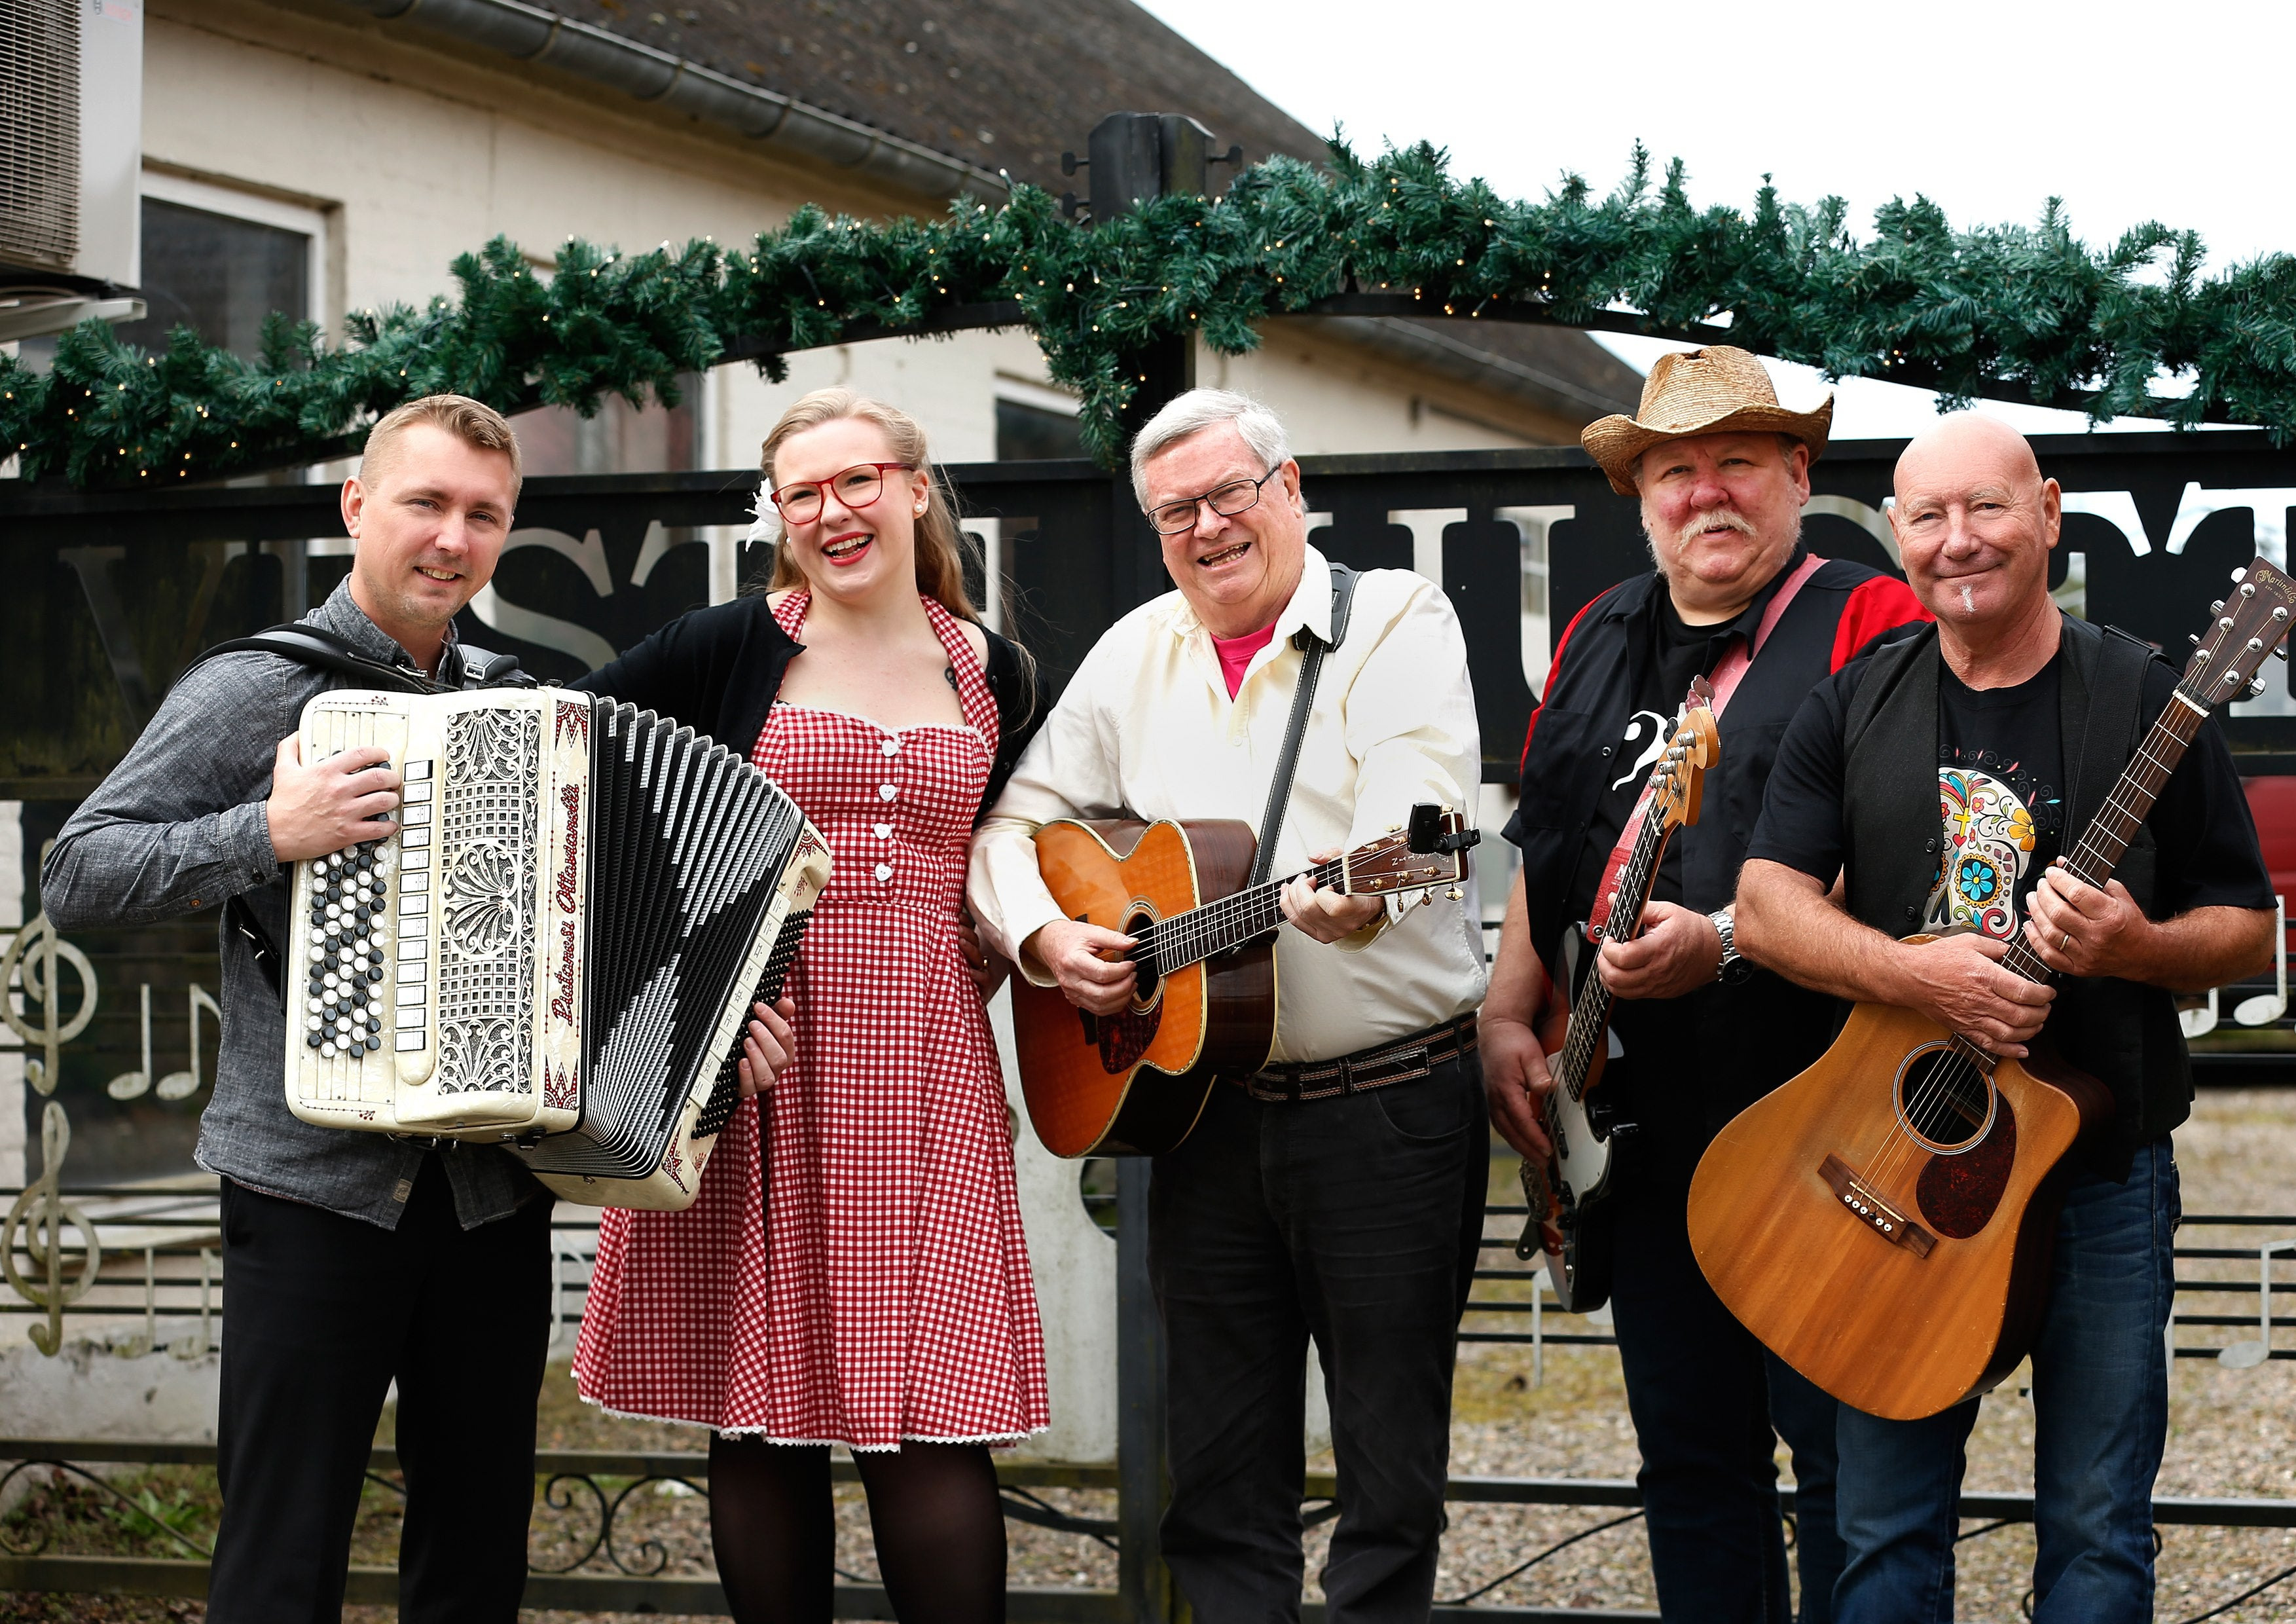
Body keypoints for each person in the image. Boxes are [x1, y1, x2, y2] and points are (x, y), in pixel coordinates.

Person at [38, 394, 795, 1624]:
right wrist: (268, 831)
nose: (453, 537)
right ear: (357, 506)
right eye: (426, 503)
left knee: (476, 1550)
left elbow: (604, 931)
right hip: (312, 1187)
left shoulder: (523, 701)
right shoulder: (259, 687)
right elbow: (77, 871)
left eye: (483, 515)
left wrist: (712, 1038)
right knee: (283, 1549)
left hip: (491, 1194)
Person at [1737, 413, 2276, 1618]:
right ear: (1898, 537)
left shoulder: (2148, 698)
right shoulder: (1856, 701)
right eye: (1928, 517)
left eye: (1987, 507)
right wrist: (1916, 976)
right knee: (1881, 1531)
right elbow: (1766, 908)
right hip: (1895, 1162)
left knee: (2096, 1530)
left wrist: (2137, 946)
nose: (1958, 541)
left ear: (2049, 513)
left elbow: (2248, 928)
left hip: (2098, 1178)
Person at [967, 388, 1488, 1623]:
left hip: (1386, 1111)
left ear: (1289, 489)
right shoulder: (1136, 650)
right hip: (1202, 1115)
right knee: (1215, 1476)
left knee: (1389, 1475)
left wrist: (1365, 895)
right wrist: (1050, 939)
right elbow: (1010, 827)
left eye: (1228, 495)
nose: (1206, 528)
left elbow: (1425, 826)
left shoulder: (1396, 619)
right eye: (1175, 513)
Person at [570, 387, 1049, 1624]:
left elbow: (1019, 858)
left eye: (857, 481)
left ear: (915, 487)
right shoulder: (726, 647)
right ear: (778, 516)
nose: (833, 511)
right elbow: (572, 785)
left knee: (935, 1413)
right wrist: (688, 1002)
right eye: (802, 494)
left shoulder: (996, 671)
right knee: (762, 1414)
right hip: (759, 1065)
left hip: (929, 1075)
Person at [1477, 345, 1929, 1623]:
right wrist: (1505, 1014)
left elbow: (1909, 866)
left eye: (1738, 460)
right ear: (1641, 495)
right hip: (1637, 1128)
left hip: (1815, 1118)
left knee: (1843, 1467)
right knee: (1690, 1461)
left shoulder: (1873, 621)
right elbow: (1550, 842)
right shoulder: (1595, 631)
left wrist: (1728, 936)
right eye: (1676, 470)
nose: (1706, 491)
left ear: (1799, 476)